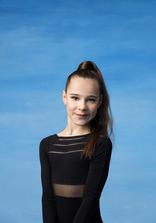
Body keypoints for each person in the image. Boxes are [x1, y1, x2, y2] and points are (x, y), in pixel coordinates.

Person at [39, 61, 113, 223]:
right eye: (75, 98)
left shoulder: (101, 144)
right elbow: (47, 197)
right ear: (64, 97)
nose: (82, 106)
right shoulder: (47, 145)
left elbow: (91, 197)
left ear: (100, 102)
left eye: (90, 100)